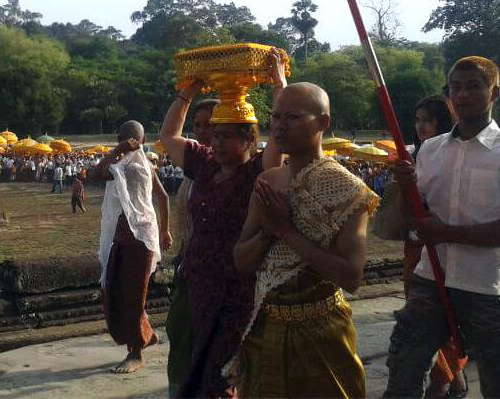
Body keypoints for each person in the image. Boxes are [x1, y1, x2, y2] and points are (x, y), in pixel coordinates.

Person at [384, 56, 500, 398]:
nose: (463, 94)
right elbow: (415, 218)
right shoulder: (431, 150)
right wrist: (405, 186)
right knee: (402, 372)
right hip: (430, 279)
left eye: (473, 86)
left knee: (499, 383)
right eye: (456, 86)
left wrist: (447, 233)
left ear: (493, 92)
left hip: (483, 287)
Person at [231, 83, 379, 397]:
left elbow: (351, 277)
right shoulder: (268, 181)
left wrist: (287, 232)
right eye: (276, 117)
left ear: (323, 123)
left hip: (321, 329)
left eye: (293, 117)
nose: (280, 126)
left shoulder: (349, 190)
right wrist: (270, 233)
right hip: (265, 323)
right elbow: (242, 261)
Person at [160, 48, 286, 398]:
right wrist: (187, 91)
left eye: (227, 136)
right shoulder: (203, 164)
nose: (216, 142)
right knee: (200, 357)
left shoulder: (256, 171)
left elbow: (280, 135)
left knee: (223, 368)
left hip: (237, 284)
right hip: (199, 278)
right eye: (215, 135)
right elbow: (169, 135)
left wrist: (279, 83)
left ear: (249, 140)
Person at [90, 120, 173, 374]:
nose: (126, 141)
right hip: (121, 236)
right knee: (115, 289)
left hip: (141, 237)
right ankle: (146, 336)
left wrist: (164, 230)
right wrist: (116, 152)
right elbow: (95, 174)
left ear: (141, 141)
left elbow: (163, 197)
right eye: (122, 137)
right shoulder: (118, 164)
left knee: (134, 295)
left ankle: (136, 353)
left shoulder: (143, 166)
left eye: (131, 138)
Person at [400, 96, 466, 397]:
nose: (421, 126)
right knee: (420, 318)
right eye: (417, 120)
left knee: (448, 319)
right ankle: (452, 376)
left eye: (428, 120)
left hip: (446, 247)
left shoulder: (455, 154)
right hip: (415, 247)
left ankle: (444, 379)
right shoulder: (412, 154)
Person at [165, 97, 218, 398]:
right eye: (197, 125)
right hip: (189, 266)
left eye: (210, 125)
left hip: (223, 273)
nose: (202, 131)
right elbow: (170, 136)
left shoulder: (238, 168)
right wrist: (186, 93)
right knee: (183, 342)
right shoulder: (195, 167)